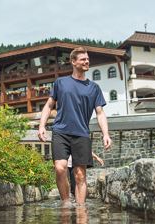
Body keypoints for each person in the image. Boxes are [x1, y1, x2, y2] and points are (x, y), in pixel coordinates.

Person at [38, 47, 112, 206]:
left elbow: (100, 113)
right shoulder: (61, 83)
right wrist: (41, 126)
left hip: (82, 134)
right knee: (60, 168)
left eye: (87, 59)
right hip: (60, 131)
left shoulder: (94, 88)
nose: (87, 61)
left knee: (80, 175)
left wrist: (106, 134)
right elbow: (49, 105)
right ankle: (65, 204)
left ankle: (80, 211)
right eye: (83, 59)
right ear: (73, 62)